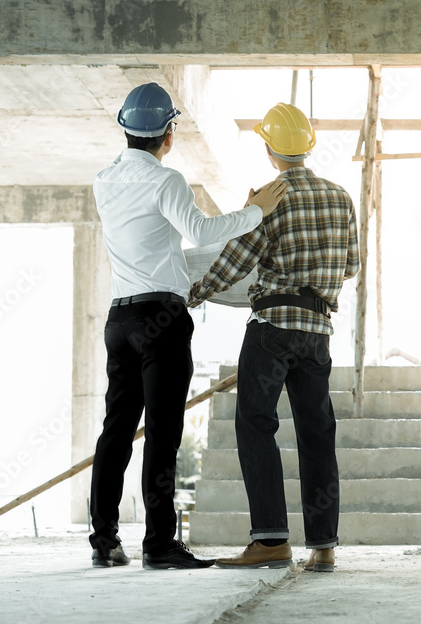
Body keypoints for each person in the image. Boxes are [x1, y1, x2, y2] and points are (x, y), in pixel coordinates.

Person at [89, 83, 287, 570]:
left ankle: (103, 541)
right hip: (161, 319)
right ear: (169, 134)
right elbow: (199, 231)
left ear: (126, 129)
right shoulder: (166, 181)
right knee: (162, 433)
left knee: (115, 431)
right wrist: (256, 211)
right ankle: (158, 545)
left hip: (120, 319)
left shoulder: (103, 180)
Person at [187, 102, 360, 572]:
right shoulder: (341, 197)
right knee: (317, 432)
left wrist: (196, 292)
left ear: (269, 149)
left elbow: (235, 262)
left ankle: (270, 541)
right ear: (307, 146)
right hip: (317, 332)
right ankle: (323, 545)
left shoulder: (268, 197)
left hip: (272, 330)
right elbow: (350, 267)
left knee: (256, 424)